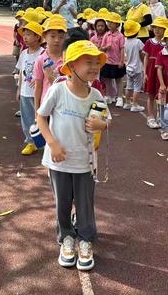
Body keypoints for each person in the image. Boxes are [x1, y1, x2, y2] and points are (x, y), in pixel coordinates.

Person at [36, 40, 109, 271]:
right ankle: (66, 237)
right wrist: (52, 143)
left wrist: (101, 124)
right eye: (88, 62)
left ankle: (85, 239)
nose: (94, 67)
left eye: (97, 63)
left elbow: (106, 121)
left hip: (85, 163)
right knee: (63, 203)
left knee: (85, 203)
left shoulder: (96, 94)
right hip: (58, 162)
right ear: (71, 66)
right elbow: (41, 117)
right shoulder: (58, 90)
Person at [16, 22, 45, 155]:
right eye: (24, 35)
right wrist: (19, 90)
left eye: (29, 34)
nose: (25, 37)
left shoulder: (43, 54)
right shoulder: (23, 54)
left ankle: (45, 140)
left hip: (40, 93)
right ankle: (30, 142)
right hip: (25, 92)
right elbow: (22, 73)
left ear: (38, 36)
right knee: (27, 118)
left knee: (41, 117)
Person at [33, 15, 67, 119]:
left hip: (64, 106)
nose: (57, 40)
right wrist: (36, 111)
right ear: (44, 36)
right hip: (46, 107)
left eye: (61, 37)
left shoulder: (68, 59)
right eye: (52, 36)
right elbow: (38, 87)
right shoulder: (40, 60)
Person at [143, 17, 168, 129]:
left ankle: (160, 116)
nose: (157, 30)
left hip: (162, 71)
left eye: (160, 28)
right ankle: (150, 117)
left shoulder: (166, 44)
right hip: (151, 70)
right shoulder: (149, 42)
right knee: (151, 94)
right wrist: (145, 72)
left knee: (161, 94)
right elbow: (146, 57)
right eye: (155, 28)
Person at [100, 12, 126, 107]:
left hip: (117, 62)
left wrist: (121, 61)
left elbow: (122, 49)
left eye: (112, 22)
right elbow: (101, 48)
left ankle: (119, 97)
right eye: (108, 22)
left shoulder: (120, 36)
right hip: (107, 61)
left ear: (117, 24)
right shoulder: (106, 35)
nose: (109, 24)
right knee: (107, 79)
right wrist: (106, 48)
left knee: (119, 80)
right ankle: (109, 95)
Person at [122, 20, 145, 112]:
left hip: (129, 67)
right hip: (137, 68)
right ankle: (135, 104)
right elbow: (141, 54)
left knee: (129, 86)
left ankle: (127, 103)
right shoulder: (138, 42)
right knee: (137, 87)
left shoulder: (126, 42)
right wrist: (144, 62)